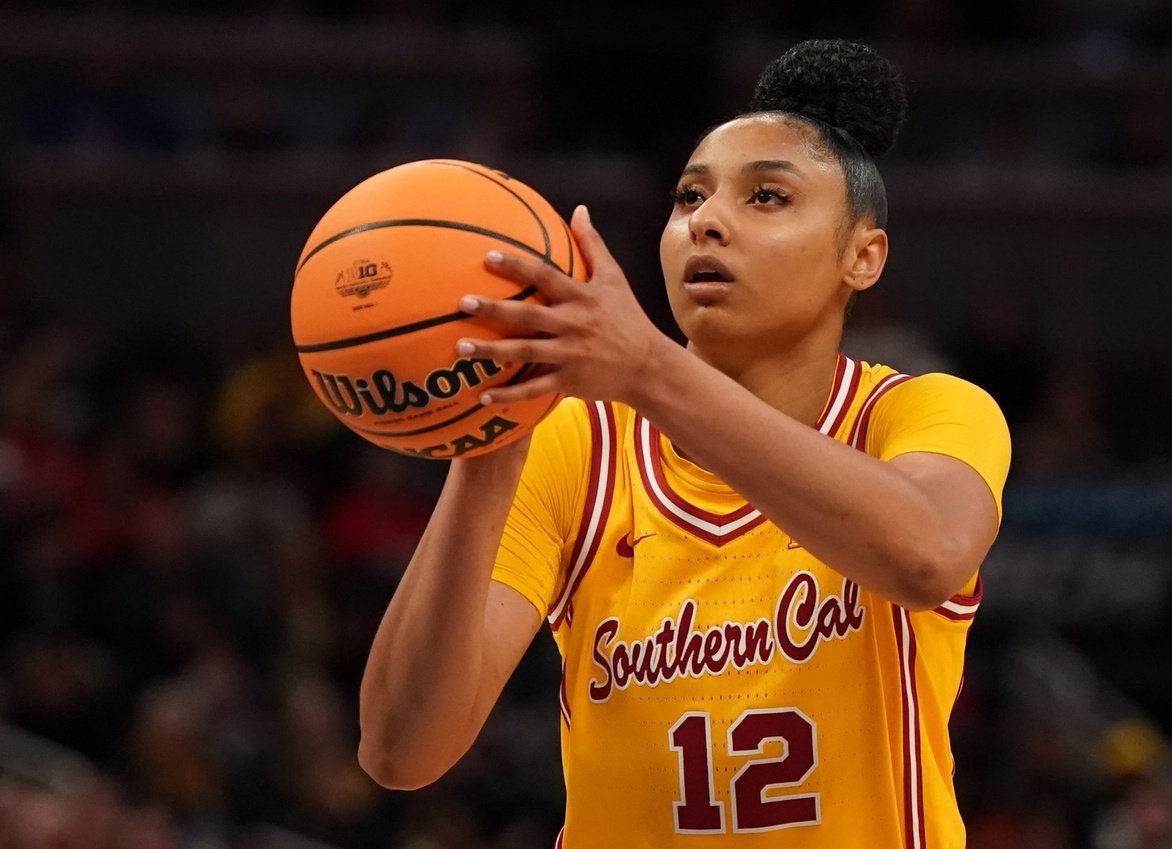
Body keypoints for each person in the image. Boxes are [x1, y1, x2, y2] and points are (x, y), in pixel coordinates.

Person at [357, 39, 1011, 848]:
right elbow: (401, 750)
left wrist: (644, 367)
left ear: (862, 256)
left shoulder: (918, 412)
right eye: (687, 197)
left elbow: (927, 554)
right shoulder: (579, 443)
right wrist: (487, 448)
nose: (707, 219)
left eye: (767, 196)